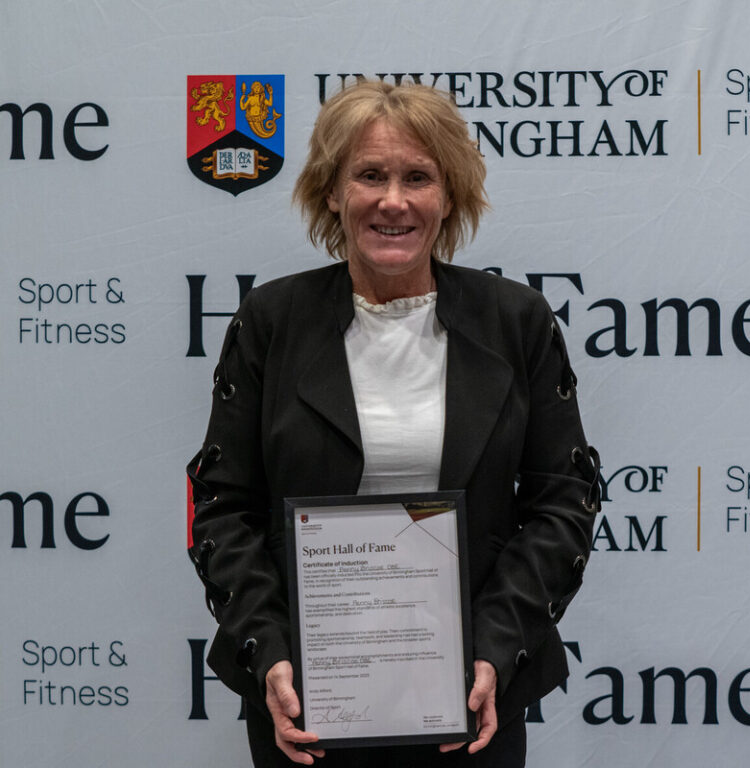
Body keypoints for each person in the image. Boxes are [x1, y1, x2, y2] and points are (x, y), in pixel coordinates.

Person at [187, 81, 601, 768]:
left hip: (472, 701)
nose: (394, 201)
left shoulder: (517, 321)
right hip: (309, 706)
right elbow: (224, 507)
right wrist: (272, 654)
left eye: (418, 178)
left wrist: (494, 649)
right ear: (331, 192)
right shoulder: (270, 322)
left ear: (449, 197)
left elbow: (563, 501)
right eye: (370, 176)